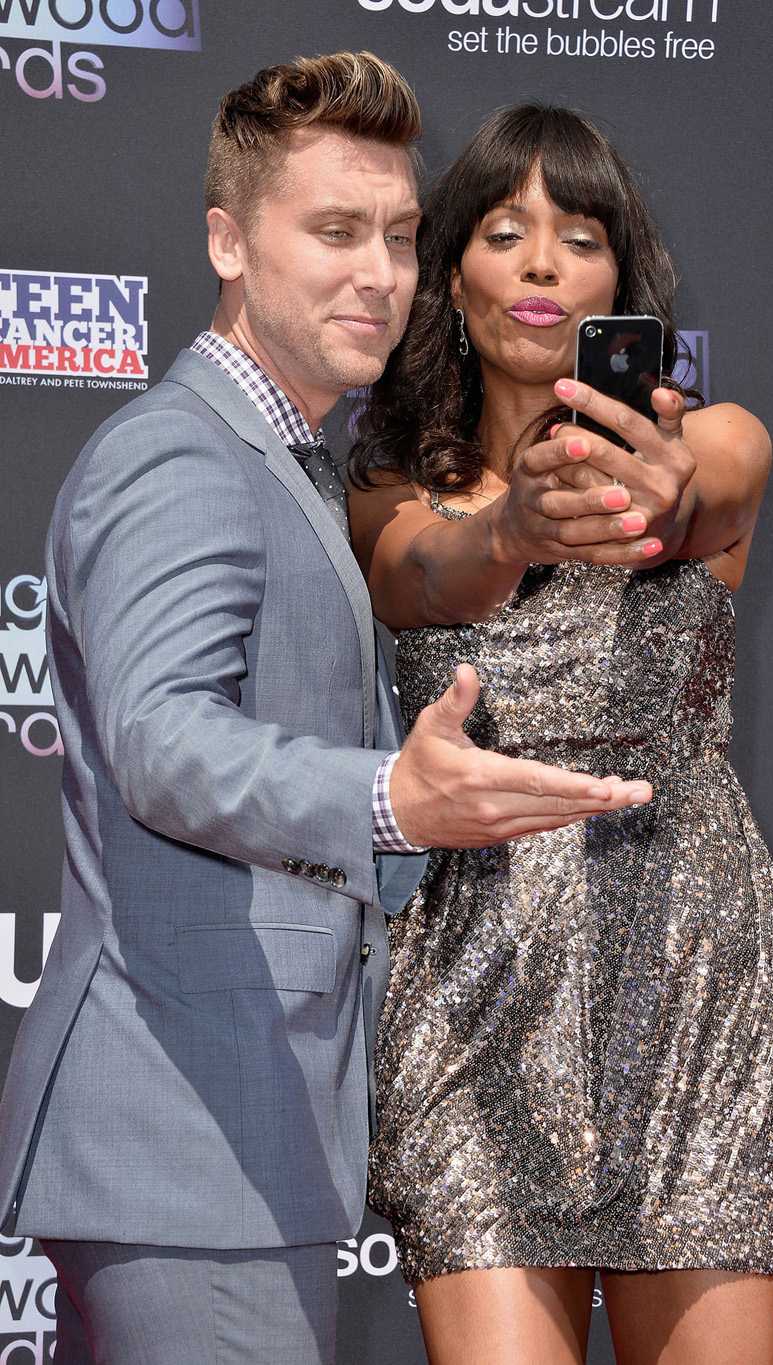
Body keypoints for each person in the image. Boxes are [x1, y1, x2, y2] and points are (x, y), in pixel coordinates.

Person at [0, 63, 655, 1365]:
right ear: (228, 242)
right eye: (335, 231)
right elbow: (161, 741)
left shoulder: (287, 464)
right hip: (187, 1144)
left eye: (400, 237)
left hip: (239, 1144)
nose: (379, 275)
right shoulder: (180, 454)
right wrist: (388, 798)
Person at [348, 104, 773, 1365]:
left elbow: (690, 498)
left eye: (580, 236)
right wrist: (512, 529)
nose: (544, 264)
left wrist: (645, 497)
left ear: (620, 281)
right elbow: (424, 575)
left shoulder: (718, 440)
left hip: (696, 984)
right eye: (505, 232)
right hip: (480, 997)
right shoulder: (386, 493)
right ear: (452, 276)